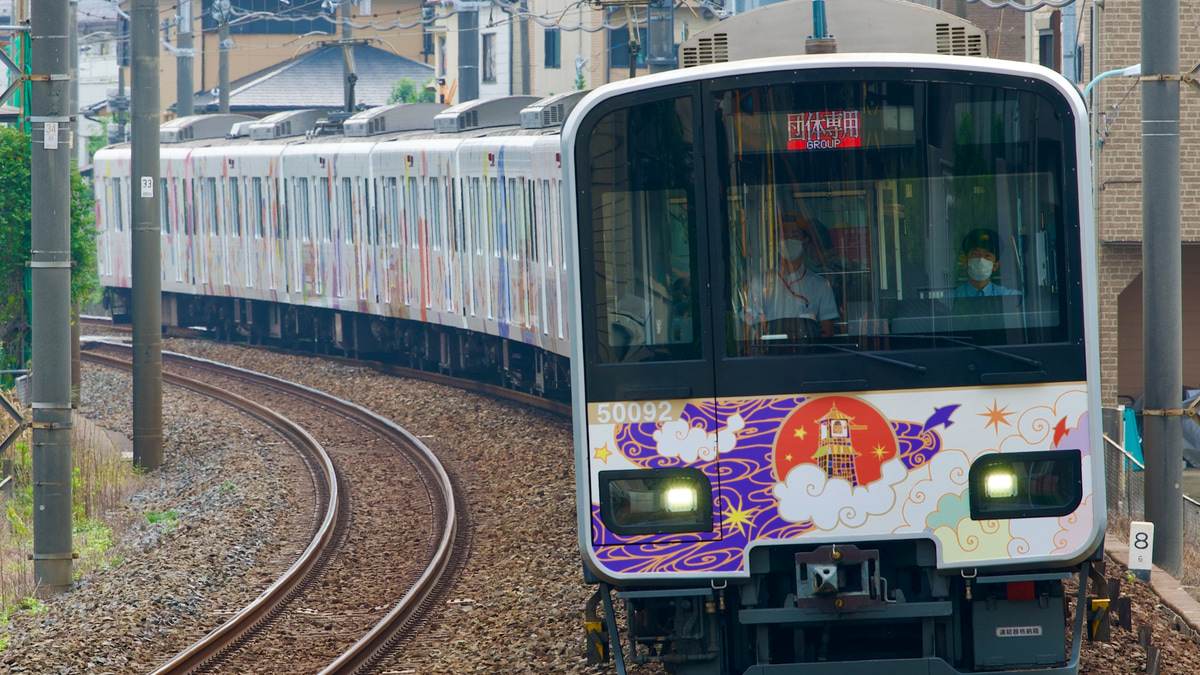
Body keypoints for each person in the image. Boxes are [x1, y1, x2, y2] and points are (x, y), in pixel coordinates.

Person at [743, 215, 839, 341]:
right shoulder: (759, 283)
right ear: (775, 240)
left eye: (794, 235)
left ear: (805, 240)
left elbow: (827, 332)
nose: (788, 241)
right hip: (770, 357)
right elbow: (750, 329)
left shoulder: (820, 285)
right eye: (784, 236)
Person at [952, 228, 1021, 298]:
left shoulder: (1011, 297)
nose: (981, 259)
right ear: (965, 262)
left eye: (987, 255)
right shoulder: (952, 299)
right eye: (975, 254)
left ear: (995, 265)